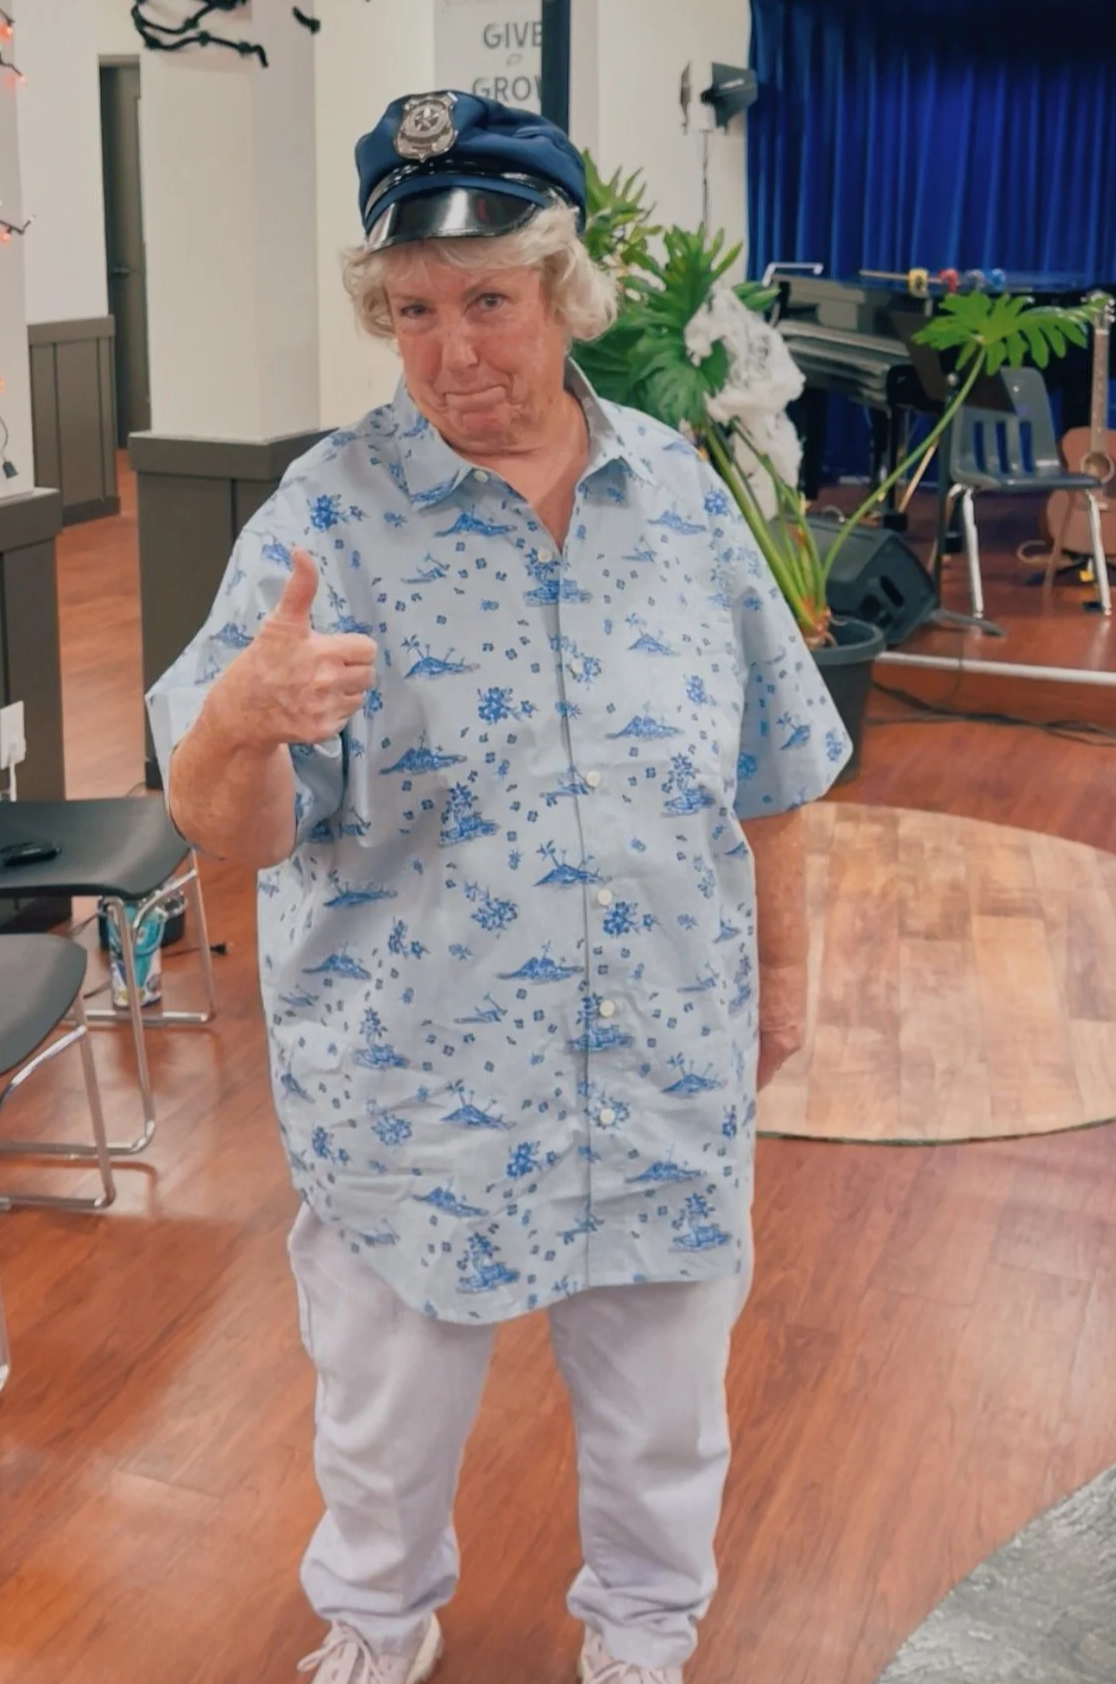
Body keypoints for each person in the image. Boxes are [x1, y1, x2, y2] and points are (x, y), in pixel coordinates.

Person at [147, 89, 851, 1684]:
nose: (453, 351)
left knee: (669, 1417)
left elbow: (777, 770)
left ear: (563, 293)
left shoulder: (678, 494)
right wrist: (242, 726)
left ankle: (643, 1640)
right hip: (419, 1100)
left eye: (487, 303)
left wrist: (788, 986)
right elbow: (229, 831)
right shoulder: (323, 518)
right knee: (385, 1427)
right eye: (411, 312)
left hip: (662, 1070)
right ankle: (377, 1635)